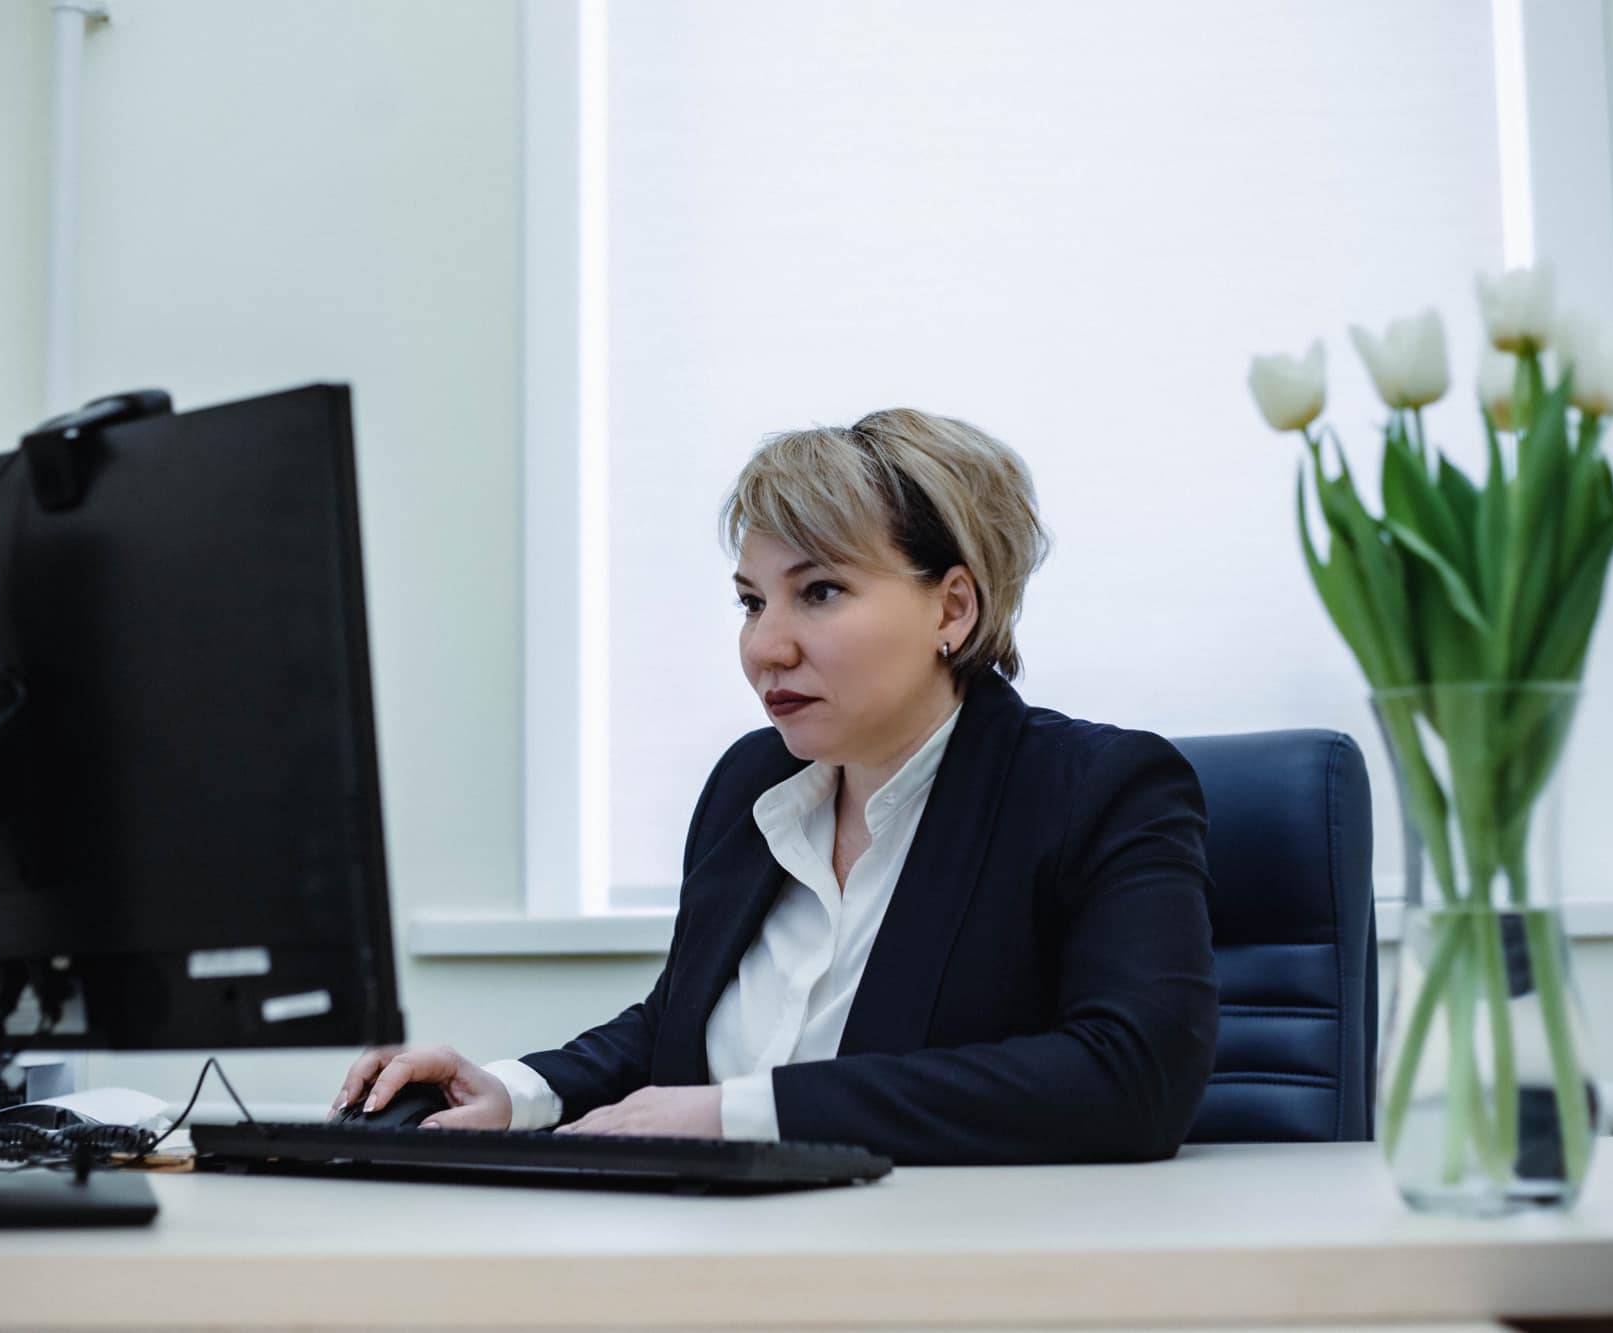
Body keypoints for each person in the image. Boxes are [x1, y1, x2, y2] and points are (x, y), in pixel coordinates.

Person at [331, 409, 1219, 1164]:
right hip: (722, 1248)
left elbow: (1131, 1077)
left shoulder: (1095, 790)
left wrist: (742, 1115)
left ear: (953, 607)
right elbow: (678, 1027)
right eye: (752, 602)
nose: (766, 647)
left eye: (820, 591)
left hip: (937, 1265)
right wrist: (514, 1090)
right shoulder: (752, 782)